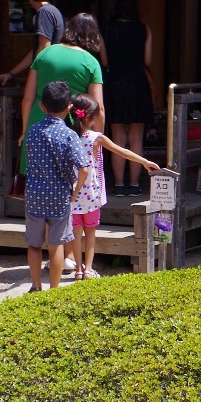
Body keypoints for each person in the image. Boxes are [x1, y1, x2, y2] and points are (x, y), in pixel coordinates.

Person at [66, 93, 161, 278]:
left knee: (76, 233)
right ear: (92, 118)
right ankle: (88, 269)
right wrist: (144, 161)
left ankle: (78, 269)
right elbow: (123, 151)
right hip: (91, 194)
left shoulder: (68, 137)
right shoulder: (96, 138)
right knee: (91, 232)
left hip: (73, 193)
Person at [22, 80, 90, 293]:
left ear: (42, 107)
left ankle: (35, 286)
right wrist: (75, 192)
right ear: (69, 107)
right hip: (60, 194)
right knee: (56, 243)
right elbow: (84, 169)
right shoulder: (69, 135)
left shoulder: (32, 131)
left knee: (34, 243)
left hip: (34, 192)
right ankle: (53, 290)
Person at [19, 14, 105, 174]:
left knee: (35, 179)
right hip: (71, 124)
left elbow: (27, 98)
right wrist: (96, 141)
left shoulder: (44, 54)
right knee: (68, 181)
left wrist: (25, 131)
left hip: (38, 120)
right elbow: (98, 109)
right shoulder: (91, 62)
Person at [102, 0, 154, 195]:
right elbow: (147, 61)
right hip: (137, 82)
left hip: (115, 82)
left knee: (117, 138)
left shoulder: (106, 30)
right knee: (136, 138)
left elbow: (105, 62)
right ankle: (134, 184)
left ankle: (118, 185)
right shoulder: (144, 29)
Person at [0, 0, 64, 88]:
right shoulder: (54, 10)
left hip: (47, 76)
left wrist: (34, 74)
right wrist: (11, 73)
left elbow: (44, 47)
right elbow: (37, 50)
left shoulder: (44, 12)